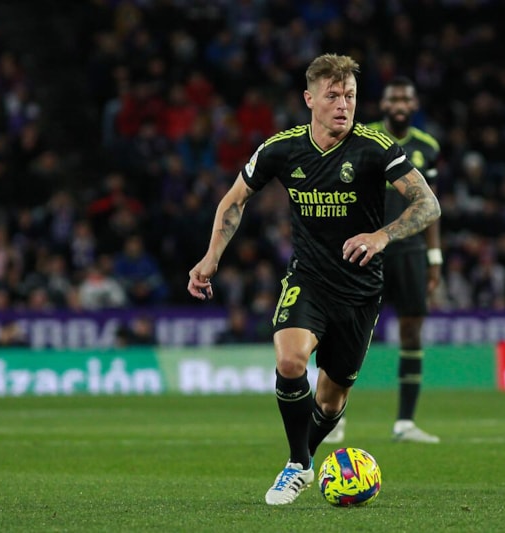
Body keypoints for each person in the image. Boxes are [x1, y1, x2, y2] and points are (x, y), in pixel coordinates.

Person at [187, 54, 440, 506]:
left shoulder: (375, 147)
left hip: (360, 289)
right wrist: (211, 257)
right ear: (309, 99)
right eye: (333, 95)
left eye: (350, 96)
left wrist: (381, 235)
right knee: (290, 362)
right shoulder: (281, 149)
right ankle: (298, 464)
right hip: (308, 278)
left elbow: (428, 204)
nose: (343, 105)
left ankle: (301, 462)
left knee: (330, 401)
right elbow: (235, 199)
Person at [325, 76, 442, 445]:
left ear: (414, 104)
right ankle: (333, 419)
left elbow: (431, 204)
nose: (400, 105)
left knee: (411, 332)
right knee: (349, 331)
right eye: (393, 99)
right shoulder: (364, 138)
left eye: (406, 99)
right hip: (366, 247)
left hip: (410, 250)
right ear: (384, 104)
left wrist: (434, 257)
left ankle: (405, 423)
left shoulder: (427, 147)